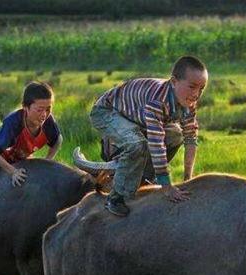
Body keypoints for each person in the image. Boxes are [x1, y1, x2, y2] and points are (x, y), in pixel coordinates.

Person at [89, 55, 208, 216]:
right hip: (109, 112)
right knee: (137, 144)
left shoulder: (188, 103)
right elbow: (156, 143)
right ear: (173, 82)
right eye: (192, 87)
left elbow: (191, 139)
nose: (196, 94)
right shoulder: (157, 102)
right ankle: (116, 198)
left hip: (138, 118)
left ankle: (145, 177)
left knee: (176, 135)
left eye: (201, 89)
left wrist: (188, 180)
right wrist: (166, 186)